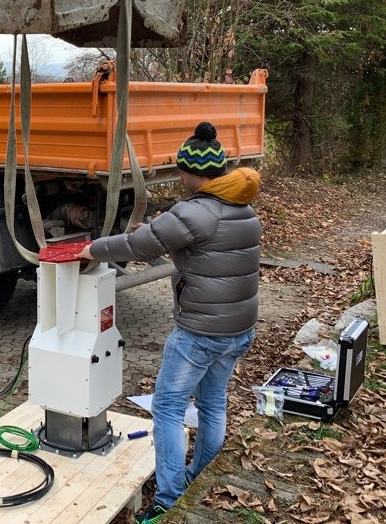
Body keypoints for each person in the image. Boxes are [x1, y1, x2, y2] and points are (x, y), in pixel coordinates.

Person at [77, 122, 262, 524]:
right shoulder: (242, 207)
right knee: (213, 403)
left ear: (192, 172)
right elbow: (200, 248)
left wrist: (91, 248)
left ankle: (168, 499)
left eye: (181, 170)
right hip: (239, 328)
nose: (179, 176)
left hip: (201, 332)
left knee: (168, 407)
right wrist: (157, 233)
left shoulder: (196, 209)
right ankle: (200, 478)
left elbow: (135, 246)